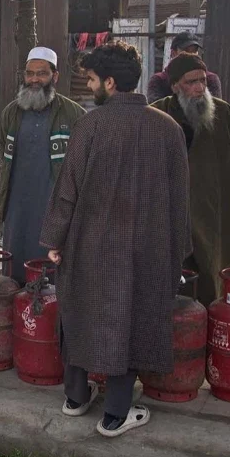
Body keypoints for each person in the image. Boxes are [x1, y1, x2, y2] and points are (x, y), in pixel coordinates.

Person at [41, 41, 191, 437]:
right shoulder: (169, 129)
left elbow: (67, 190)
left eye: (91, 80)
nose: (90, 87)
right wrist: (177, 252)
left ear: (110, 81)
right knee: (132, 319)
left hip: (89, 244)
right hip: (148, 249)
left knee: (79, 311)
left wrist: (55, 238)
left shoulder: (91, 125)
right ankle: (116, 413)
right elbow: (180, 202)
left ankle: (75, 398)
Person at [151, 53, 230, 307]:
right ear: (175, 86)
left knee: (214, 274)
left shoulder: (222, 113)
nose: (200, 88)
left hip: (216, 209)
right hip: (173, 211)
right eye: (191, 82)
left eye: (203, 80)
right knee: (178, 278)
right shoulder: (158, 114)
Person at [0, 47, 86, 283]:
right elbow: (3, 160)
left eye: (41, 73)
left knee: (51, 270)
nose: (34, 79)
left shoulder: (74, 114)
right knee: (14, 269)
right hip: (17, 206)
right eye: (29, 73)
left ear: (55, 77)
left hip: (53, 207)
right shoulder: (10, 114)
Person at [146, 34, 223, 101]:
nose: (191, 55)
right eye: (186, 51)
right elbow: (155, 111)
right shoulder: (160, 80)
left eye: (194, 51)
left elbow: (216, 108)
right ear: (173, 53)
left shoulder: (210, 78)